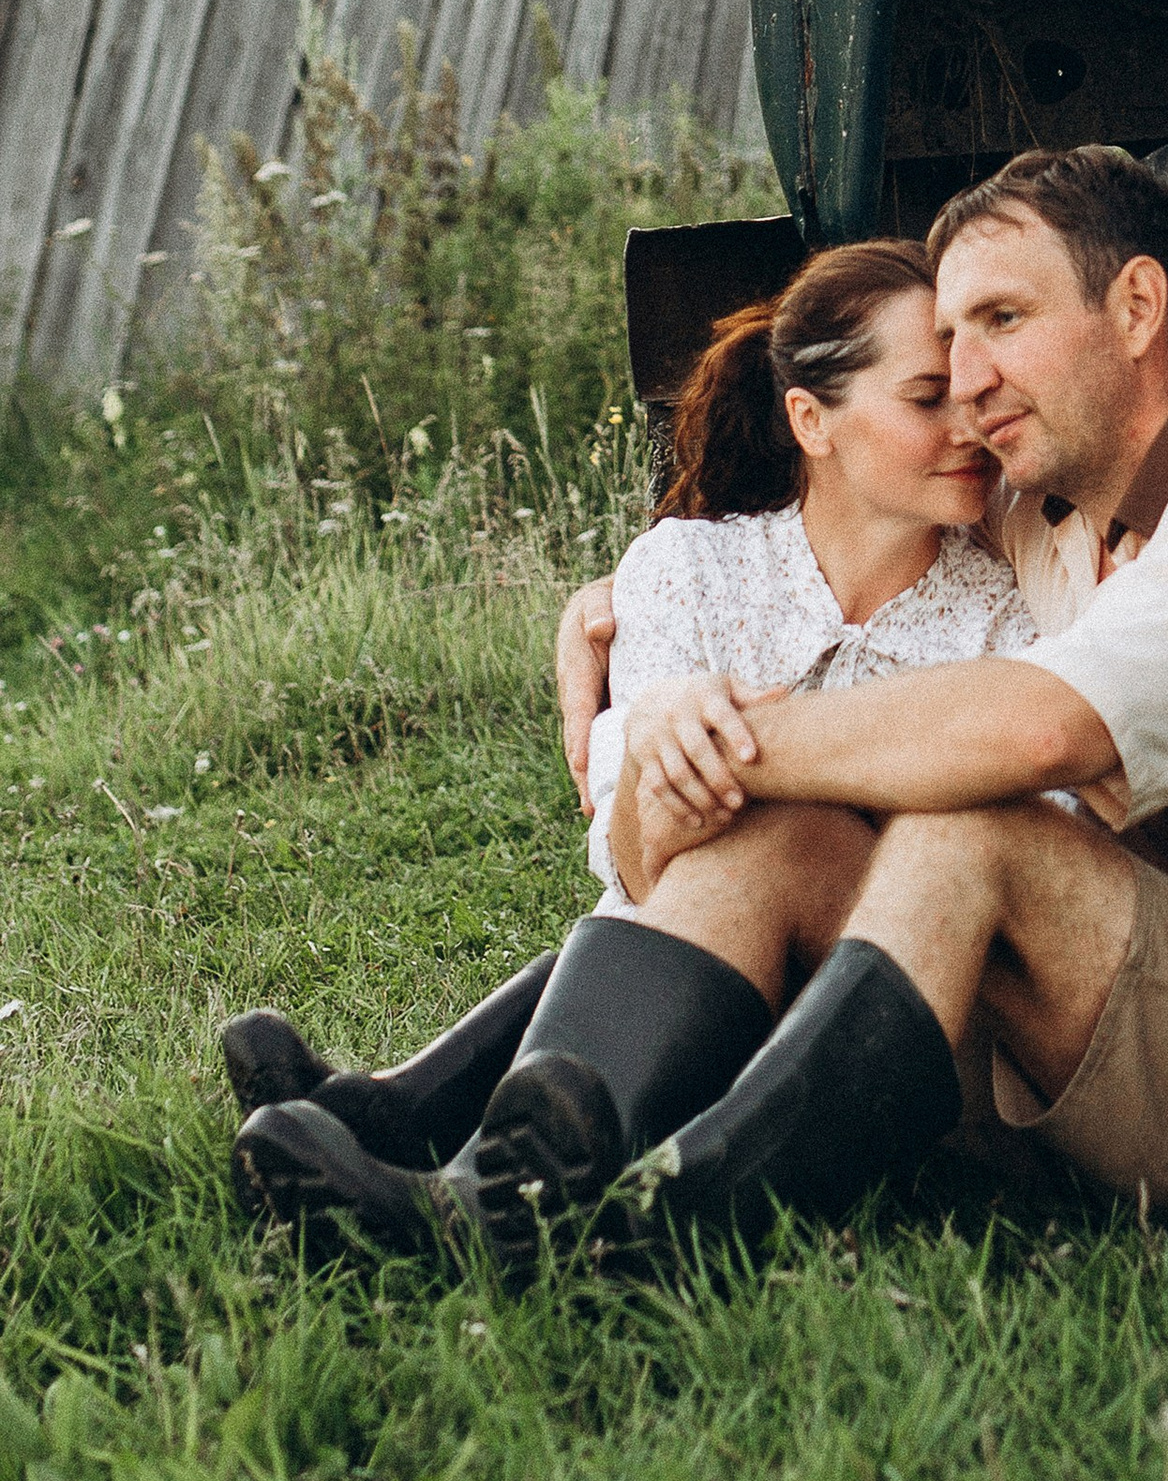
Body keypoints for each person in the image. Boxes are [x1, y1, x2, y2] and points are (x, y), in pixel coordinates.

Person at [532, 143, 1168, 1261]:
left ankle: (697, 1207)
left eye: (1002, 320)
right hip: (1124, 1029)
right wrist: (619, 617)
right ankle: (497, 1173)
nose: (971, 375)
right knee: (787, 838)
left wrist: (714, 744)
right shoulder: (1055, 511)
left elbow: (1039, 727)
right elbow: (860, 490)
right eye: (950, 342)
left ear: (1136, 307)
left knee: (977, 826)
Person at [225, 238, 1032, 1254]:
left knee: (770, 822)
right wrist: (668, 769)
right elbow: (627, 856)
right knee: (729, 820)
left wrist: (769, 771)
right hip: (711, 946)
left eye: (971, 394)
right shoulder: (694, 568)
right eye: (927, 399)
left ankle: (465, 1170)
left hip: (906, 1009)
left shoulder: (1007, 607)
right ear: (808, 419)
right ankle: (432, 1130)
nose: (970, 426)